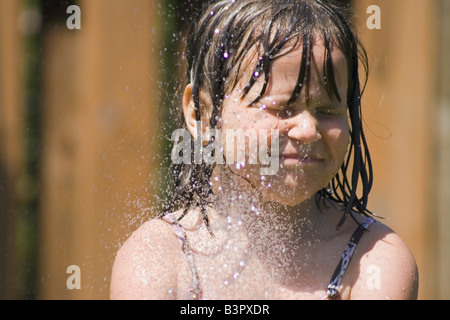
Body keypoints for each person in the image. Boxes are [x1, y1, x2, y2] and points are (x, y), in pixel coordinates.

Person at [110, 0, 418, 300]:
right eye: (282, 109)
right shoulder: (160, 260)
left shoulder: (373, 261)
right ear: (202, 114)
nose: (309, 130)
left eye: (327, 110)